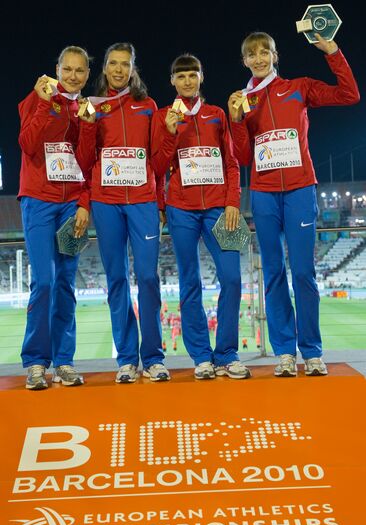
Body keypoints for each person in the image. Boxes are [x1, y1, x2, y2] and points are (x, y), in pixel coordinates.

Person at [228, 32, 360, 377]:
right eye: (251, 54)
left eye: (264, 52)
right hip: (264, 194)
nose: (258, 59)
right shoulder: (243, 100)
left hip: (300, 190)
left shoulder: (299, 87)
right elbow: (242, 157)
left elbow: (349, 94)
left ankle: (312, 352)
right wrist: (237, 121)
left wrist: (332, 50)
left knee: (303, 273)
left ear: (275, 55)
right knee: (272, 274)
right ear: (244, 61)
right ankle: (285, 352)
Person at [151, 53, 251, 380]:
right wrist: (167, 133)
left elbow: (232, 162)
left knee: (233, 278)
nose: (187, 81)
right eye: (181, 77)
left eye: (192, 75)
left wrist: (233, 201)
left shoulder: (217, 114)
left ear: (201, 76)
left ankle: (227, 353)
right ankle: (201, 358)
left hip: (219, 209)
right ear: (172, 82)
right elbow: (156, 167)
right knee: (189, 281)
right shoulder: (164, 116)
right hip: (181, 208)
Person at [77, 42, 168, 383]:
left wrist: (159, 202)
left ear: (133, 68)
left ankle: (154, 357)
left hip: (143, 202)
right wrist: (87, 125)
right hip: (106, 203)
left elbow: (158, 162)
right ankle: (127, 360)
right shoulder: (93, 108)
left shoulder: (148, 106)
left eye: (124, 64)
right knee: (117, 281)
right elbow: (84, 161)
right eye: (112, 63)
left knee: (147, 278)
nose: (118, 69)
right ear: (104, 68)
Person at [18, 45, 91, 390]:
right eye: (68, 69)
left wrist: (84, 203)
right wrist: (45, 103)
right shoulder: (36, 98)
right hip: (38, 200)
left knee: (65, 283)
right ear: (57, 69)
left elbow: (90, 161)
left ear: (86, 74)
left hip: (70, 203)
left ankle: (64, 361)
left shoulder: (87, 110)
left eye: (80, 70)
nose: (73, 76)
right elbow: (29, 144)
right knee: (44, 281)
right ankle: (35, 361)